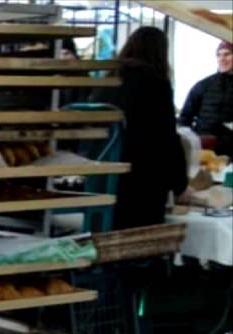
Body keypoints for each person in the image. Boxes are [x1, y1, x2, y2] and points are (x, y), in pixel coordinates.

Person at [91, 27, 188, 230]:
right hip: (142, 178)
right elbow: (166, 137)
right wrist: (179, 183)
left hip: (102, 170)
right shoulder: (156, 83)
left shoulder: (108, 80)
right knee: (137, 241)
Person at [179, 41, 233, 158]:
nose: (222, 59)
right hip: (204, 149)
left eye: (227, 54)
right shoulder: (204, 85)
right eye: (219, 55)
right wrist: (192, 141)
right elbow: (185, 118)